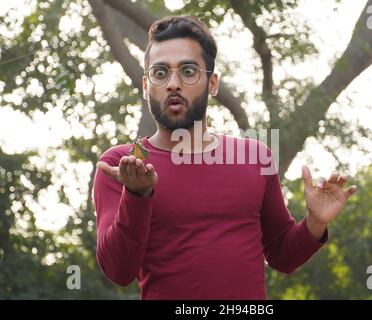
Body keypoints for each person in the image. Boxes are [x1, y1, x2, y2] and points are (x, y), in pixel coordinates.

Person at [93, 15, 357, 300]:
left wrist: (315, 223)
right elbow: (118, 270)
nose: (173, 83)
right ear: (146, 86)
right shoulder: (123, 164)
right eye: (160, 73)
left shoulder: (255, 156)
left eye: (189, 71)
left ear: (213, 83)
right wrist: (137, 194)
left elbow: (282, 255)